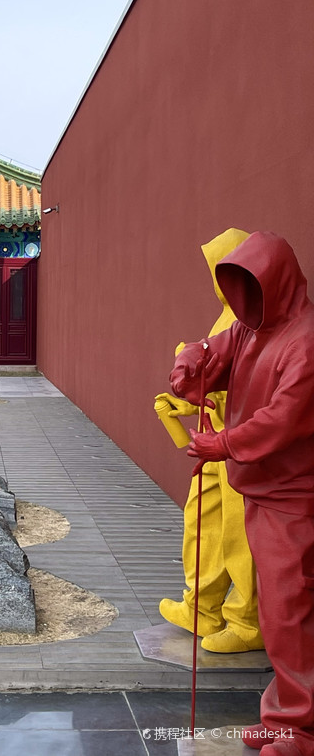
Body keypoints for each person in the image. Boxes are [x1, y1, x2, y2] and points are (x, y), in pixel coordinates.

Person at [171, 232, 314, 755]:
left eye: (249, 285)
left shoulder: (304, 340)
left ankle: (298, 728)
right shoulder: (250, 329)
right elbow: (212, 350)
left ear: (275, 282)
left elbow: (285, 418)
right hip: (260, 487)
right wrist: (192, 364)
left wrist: (223, 443)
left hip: (293, 495)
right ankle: (284, 716)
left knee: (290, 611)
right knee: (285, 610)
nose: (240, 299)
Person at [156, 228, 263, 653]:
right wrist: (187, 400)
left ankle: (247, 621)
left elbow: (255, 391)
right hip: (213, 440)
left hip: (239, 444)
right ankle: (201, 606)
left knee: (239, 534)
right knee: (201, 521)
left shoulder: (256, 322)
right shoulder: (227, 319)